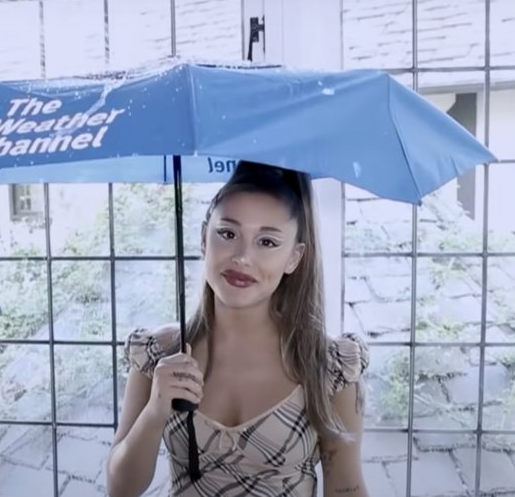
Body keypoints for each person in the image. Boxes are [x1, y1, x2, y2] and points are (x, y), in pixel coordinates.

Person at [106, 161, 370, 497]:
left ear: (294, 257)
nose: (242, 257)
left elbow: (346, 490)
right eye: (228, 234)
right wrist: (155, 409)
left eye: (268, 242)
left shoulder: (329, 366)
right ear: (204, 238)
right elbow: (119, 488)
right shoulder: (159, 353)